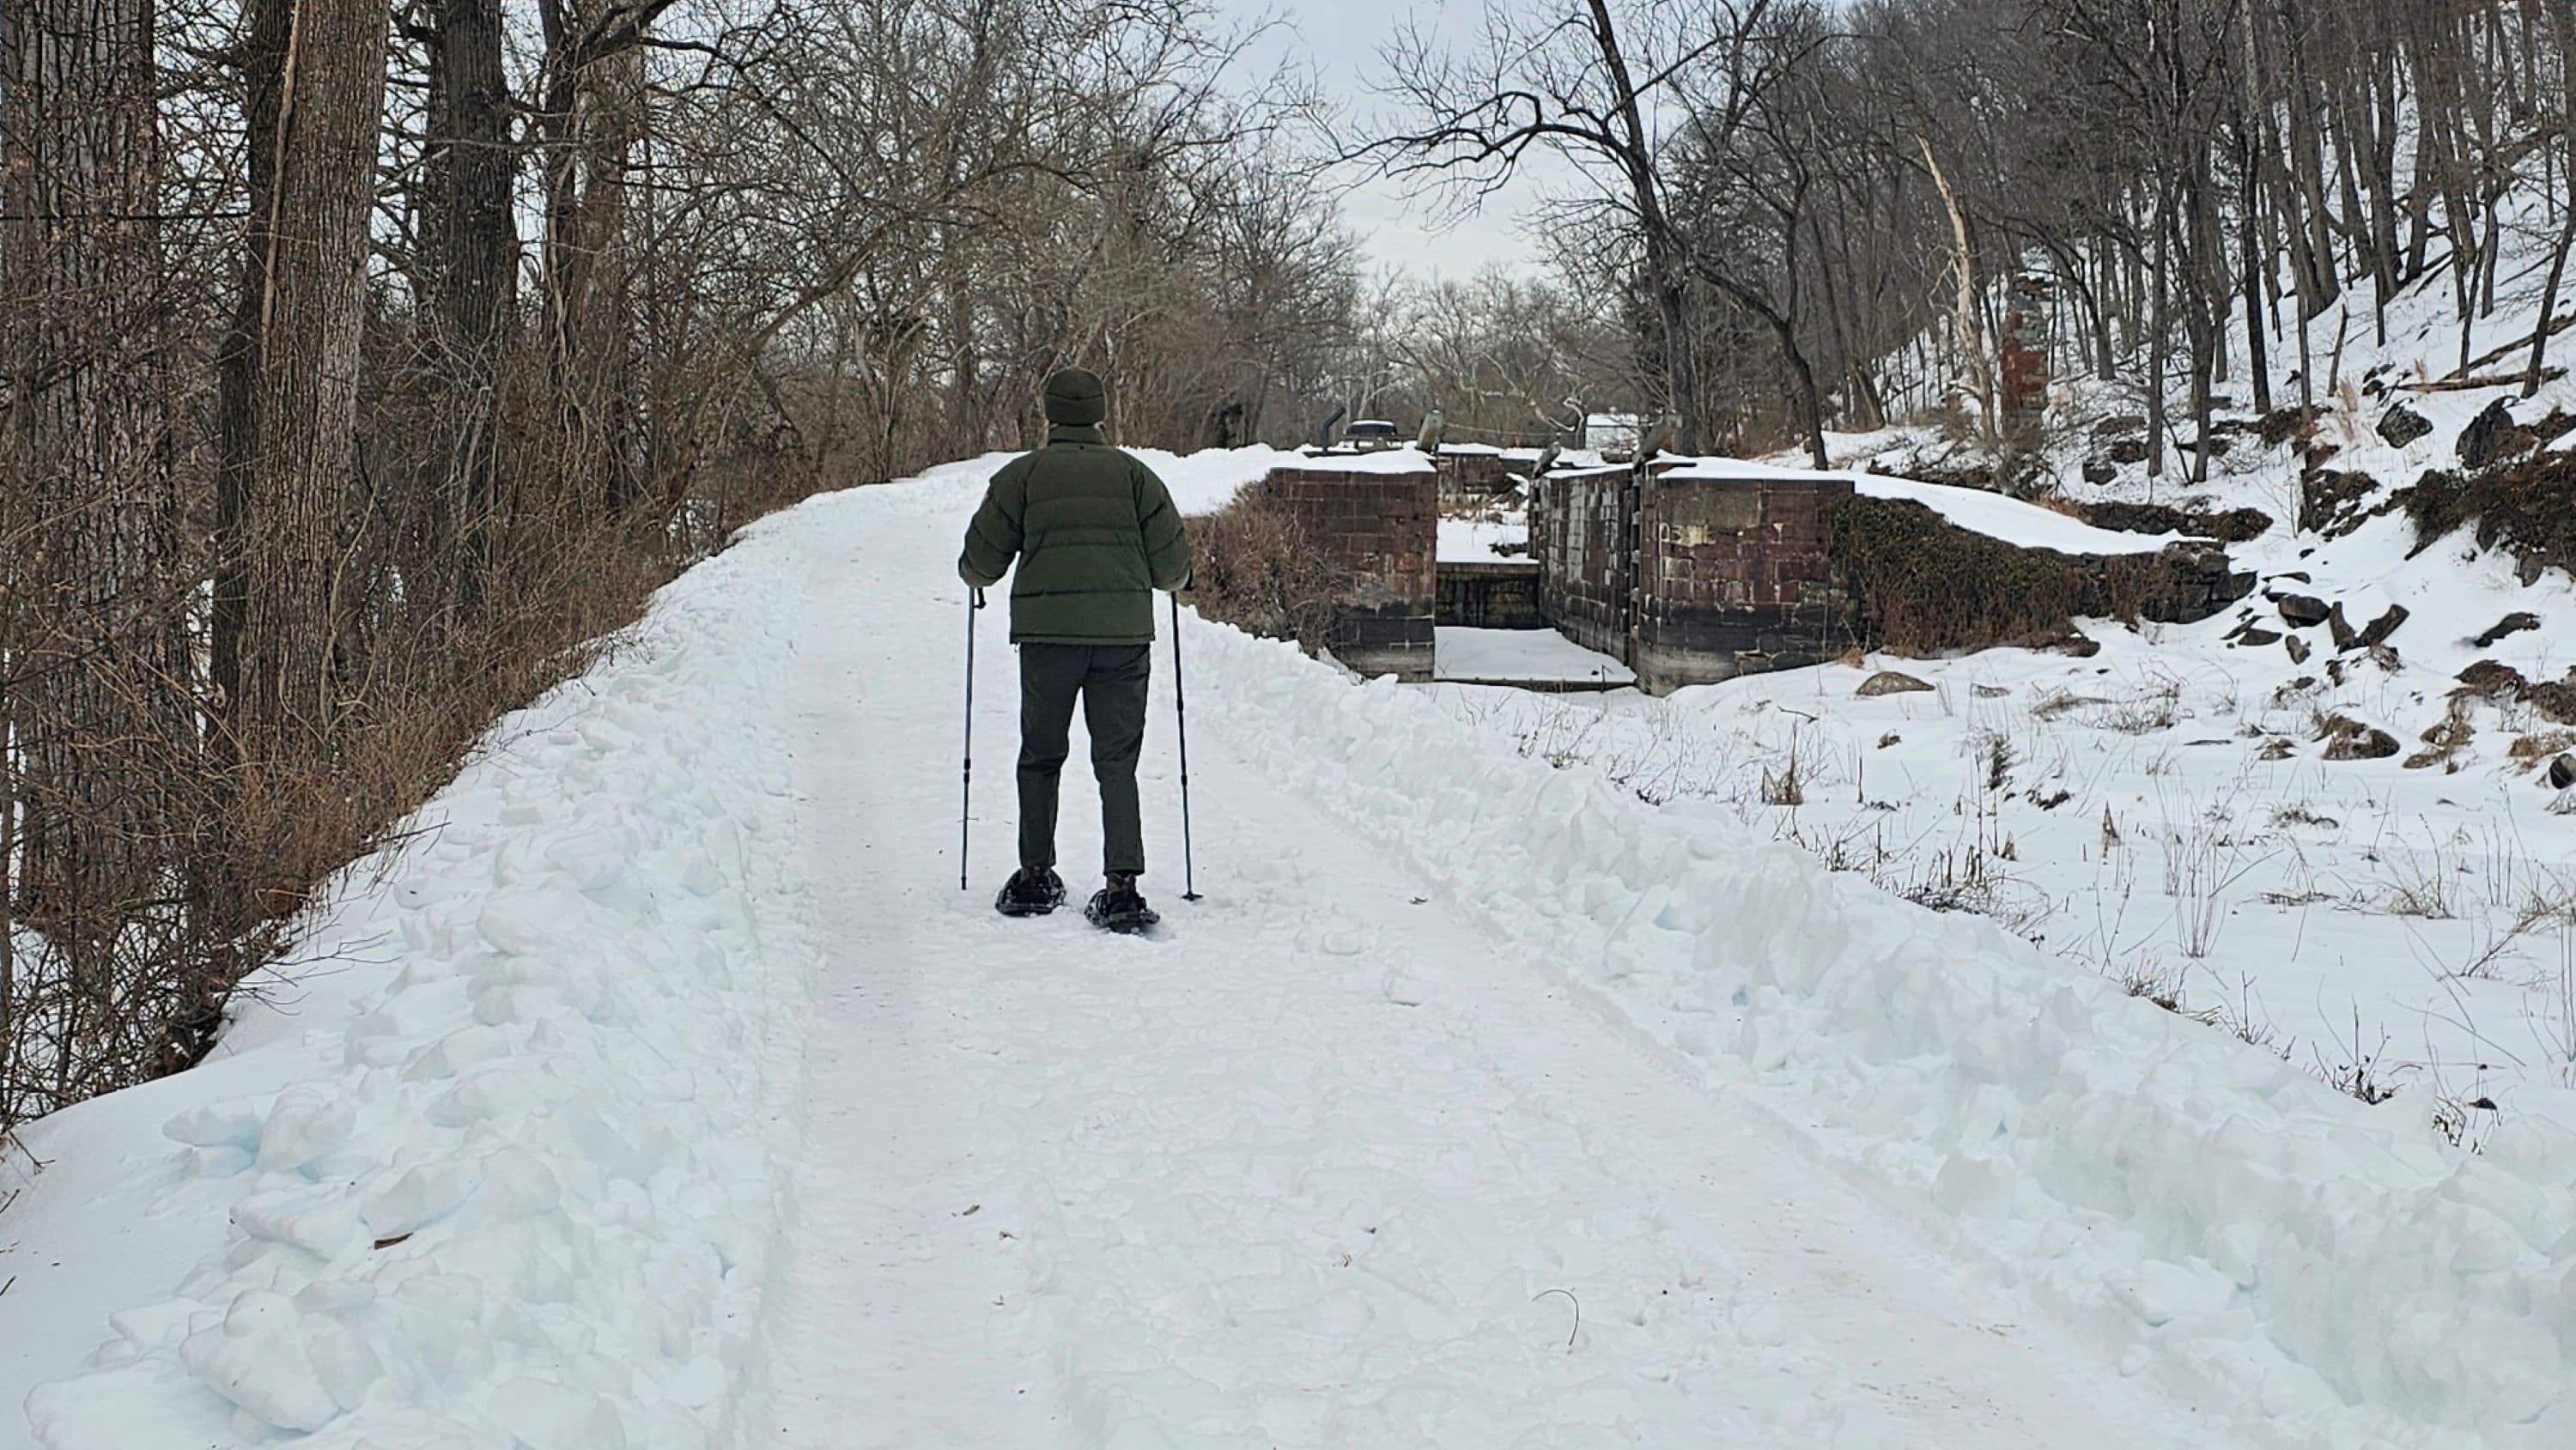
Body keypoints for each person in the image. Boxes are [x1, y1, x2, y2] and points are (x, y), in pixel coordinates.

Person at [958, 367, 1191, 930]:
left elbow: (980, 562)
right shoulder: (1137, 477)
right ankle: (1122, 887)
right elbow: (1172, 570)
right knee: (1117, 760)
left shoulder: (1023, 476)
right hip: (1123, 640)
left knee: (1040, 753)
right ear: (1101, 413)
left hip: (1048, 640)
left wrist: (973, 575)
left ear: (1049, 412)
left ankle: (1035, 875)